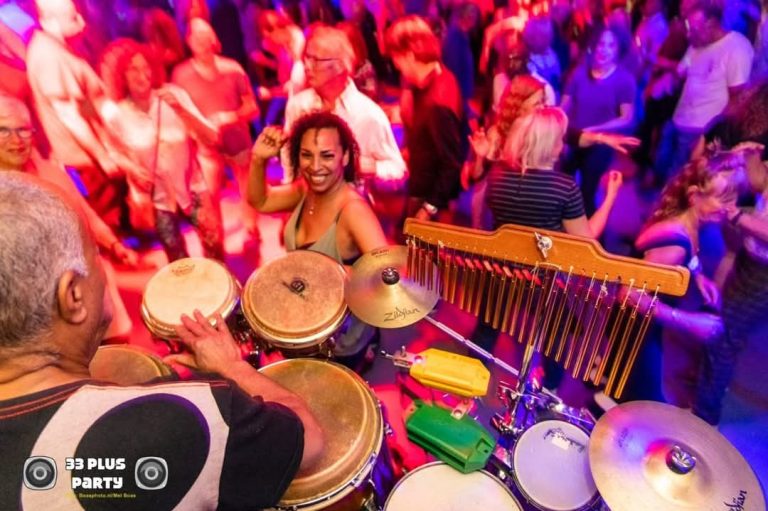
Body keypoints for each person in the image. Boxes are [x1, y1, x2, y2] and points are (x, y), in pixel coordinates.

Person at [0, 172, 323, 510]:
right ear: (73, 297)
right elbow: (309, 439)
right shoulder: (182, 420)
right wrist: (232, 367)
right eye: (96, 254)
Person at [247, 111, 386, 363]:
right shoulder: (305, 192)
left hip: (338, 342)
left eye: (327, 155)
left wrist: (343, 274)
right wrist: (258, 159)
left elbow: (387, 274)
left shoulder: (354, 211)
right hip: (305, 322)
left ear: (345, 157)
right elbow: (261, 201)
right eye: (306, 155)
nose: (315, 166)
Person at [0, 93, 135, 342]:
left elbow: (86, 215)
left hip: (87, 290)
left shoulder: (52, 175)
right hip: (36, 313)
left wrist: (114, 244)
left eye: (23, 130)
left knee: (116, 350)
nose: (16, 140)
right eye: (4, 131)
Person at [626, 154, 735, 404]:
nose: (730, 207)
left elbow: (688, 254)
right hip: (634, 328)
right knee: (643, 401)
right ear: (695, 197)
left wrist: (697, 275)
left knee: (637, 397)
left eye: (733, 199)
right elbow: (629, 294)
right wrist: (689, 322)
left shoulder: (691, 223)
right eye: (723, 199)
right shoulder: (674, 241)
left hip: (649, 324)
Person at [107, 41, 225, 262]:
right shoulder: (117, 115)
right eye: (133, 69)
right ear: (121, 75)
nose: (142, 75)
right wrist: (132, 169)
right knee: (177, 259)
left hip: (192, 188)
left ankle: (221, 282)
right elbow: (113, 152)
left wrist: (181, 111)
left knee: (214, 245)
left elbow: (212, 136)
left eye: (146, 67)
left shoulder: (173, 96)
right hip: (157, 198)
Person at [26, 0, 137, 228]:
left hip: (94, 154)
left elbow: (83, 103)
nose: (82, 22)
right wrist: (103, 156)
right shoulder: (49, 56)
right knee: (109, 219)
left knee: (121, 215)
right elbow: (68, 114)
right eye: (73, 17)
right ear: (50, 21)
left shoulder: (59, 48)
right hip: (85, 160)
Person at [694, 142, 768, 424]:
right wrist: (744, 156)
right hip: (751, 260)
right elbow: (759, 183)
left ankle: (704, 416)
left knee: (724, 337)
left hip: (762, 275)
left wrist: (737, 216)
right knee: (722, 328)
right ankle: (706, 386)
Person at [173, 17, 262, 249]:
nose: (202, 42)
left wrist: (230, 117)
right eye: (196, 37)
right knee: (210, 194)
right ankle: (217, 242)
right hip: (206, 147)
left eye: (206, 36)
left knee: (247, 188)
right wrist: (192, 132)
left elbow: (252, 107)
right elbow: (179, 112)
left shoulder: (233, 69)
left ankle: (251, 229)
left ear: (214, 39)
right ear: (188, 42)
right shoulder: (181, 75)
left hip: (237, 141)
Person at [282, 25, 405, 185]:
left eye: (315, 60)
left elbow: (397, 169)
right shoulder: (298, 106)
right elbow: (288, 154)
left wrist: (372, 167)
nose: (306, 66)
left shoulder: (368, 115)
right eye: (306, 58)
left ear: (340, 66)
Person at [654, 0, 754, 179]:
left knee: (682, 180)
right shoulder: (696, 46)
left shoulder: (736, 47)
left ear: (711, 24)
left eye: (694, 28)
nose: (689, 34)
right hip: (679, 120)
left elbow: (737, 98)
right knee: (665, 170)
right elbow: (681, 73)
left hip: (700, 130)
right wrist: (665, 81)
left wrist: (711, 134)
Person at [385, 15, 467, 223]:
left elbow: (451, 164)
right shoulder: (434, 79)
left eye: (396, 57)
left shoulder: (438, 103)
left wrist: (429, 208)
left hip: (429, 200)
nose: (396, 65)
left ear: (409, 54)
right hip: (421, 188)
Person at [561, 25, 637, 214]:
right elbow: (564, 107)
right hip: (573, 138)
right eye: (601, 44)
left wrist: (594, 130)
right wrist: (559, 131)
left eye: (611, 45)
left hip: (600, 145)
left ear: (618, 50)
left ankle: (588, 227)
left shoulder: (624, 80)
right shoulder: (579, 73)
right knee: (563, 183)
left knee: (588, 190)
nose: (604, 49)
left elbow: (626, 118)